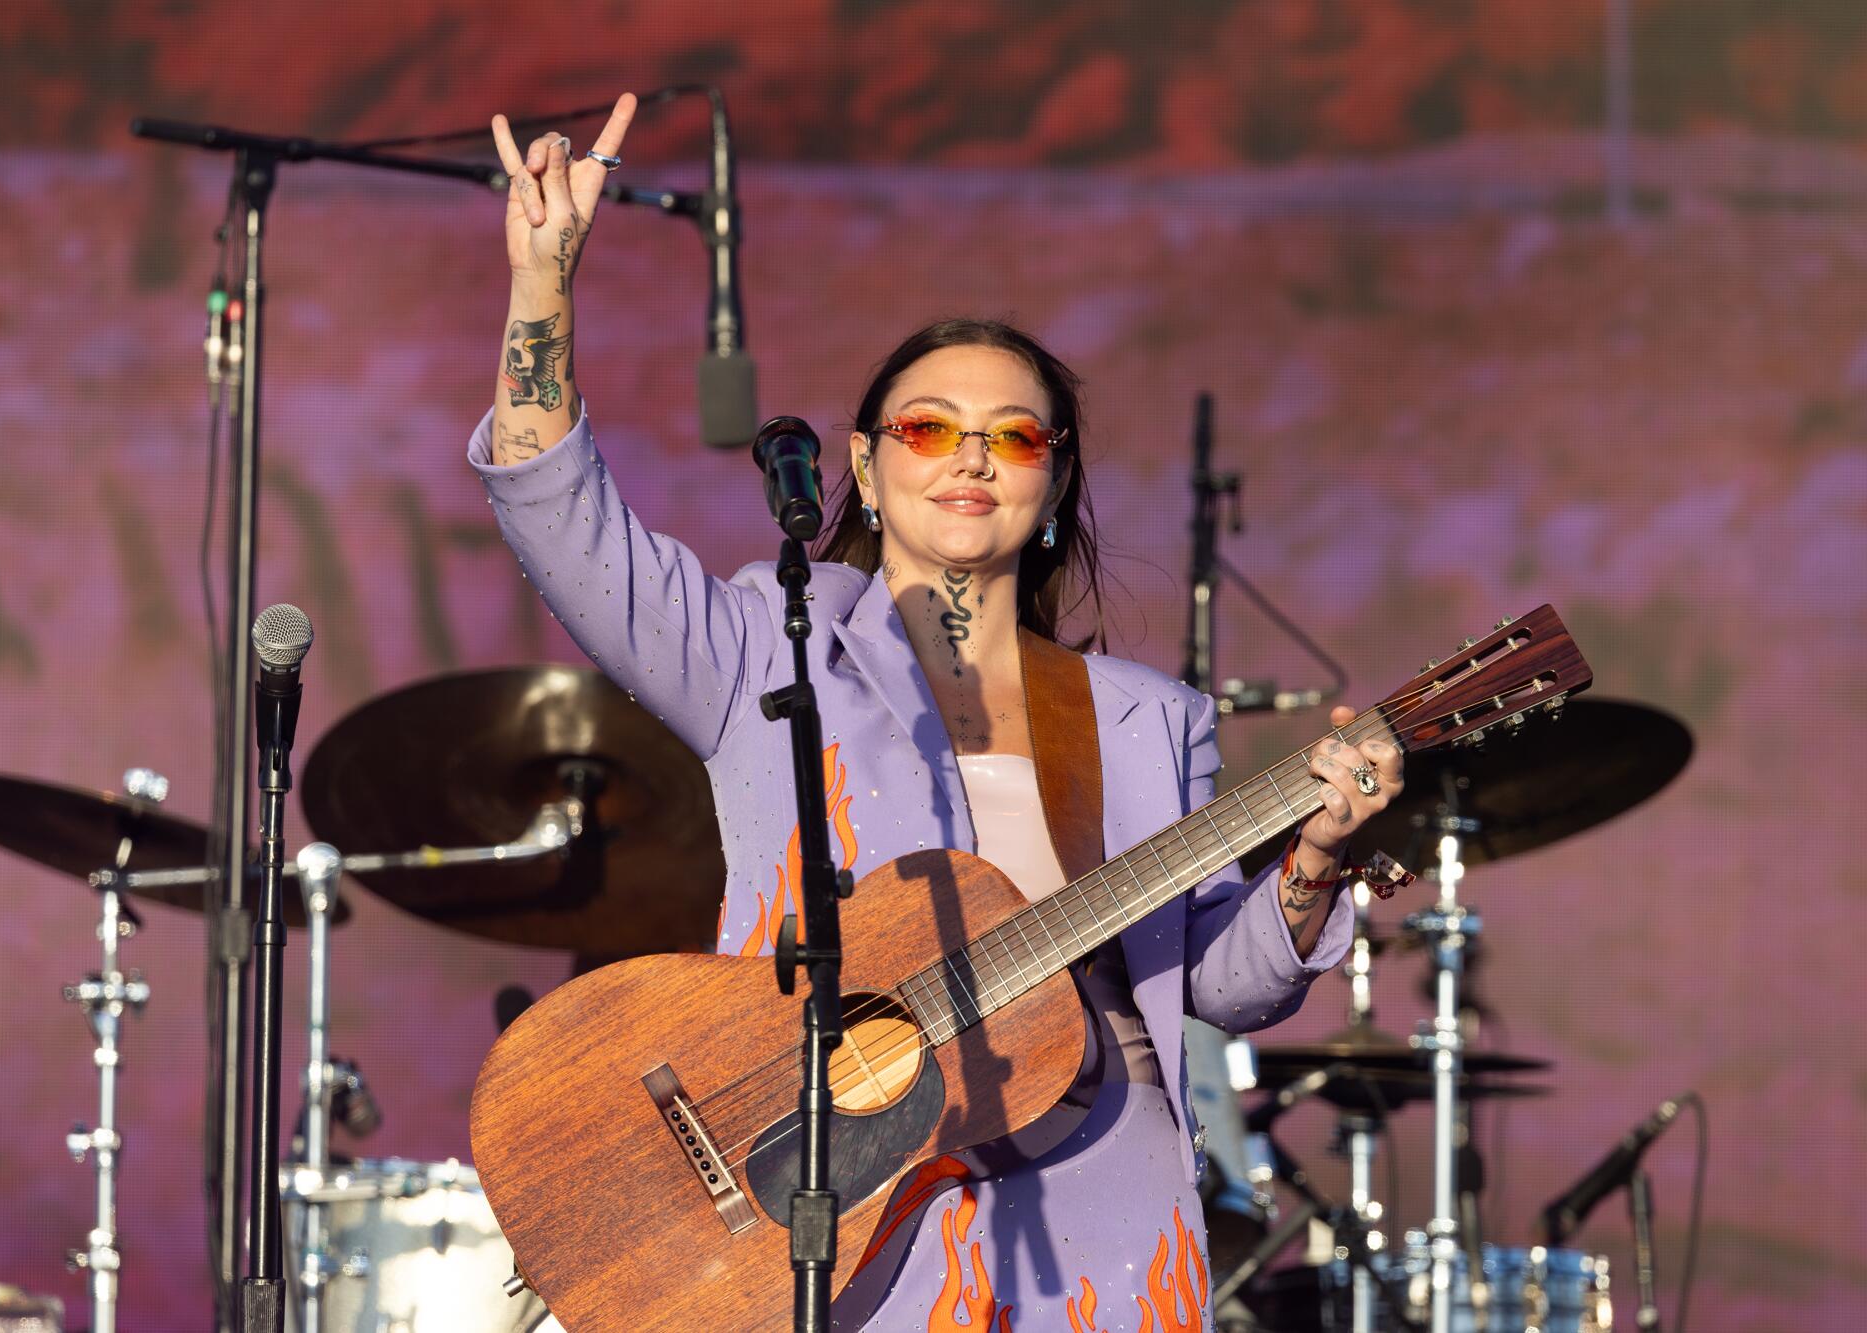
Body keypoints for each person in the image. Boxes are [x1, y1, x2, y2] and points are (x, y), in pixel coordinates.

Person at [469, 97, 1404, 1333]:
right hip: (850, 1196)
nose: (969, 459)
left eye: (1011, 436)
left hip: (1100, 1199)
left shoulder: (1143, 718)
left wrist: (1315, 862)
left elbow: (1221, 987)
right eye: (928, 429)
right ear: (863, 467)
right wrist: (543, 285)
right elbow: (564, 528)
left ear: (1054, 482)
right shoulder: (770, 640)